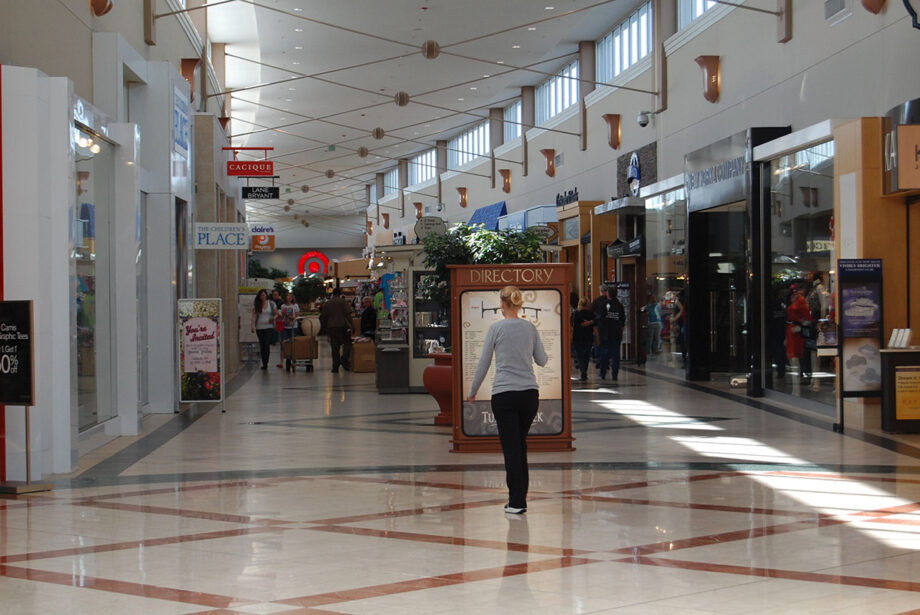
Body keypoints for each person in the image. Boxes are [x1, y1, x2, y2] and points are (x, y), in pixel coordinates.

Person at [467, 286, 548, 514]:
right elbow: (542, 360)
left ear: (502, 304)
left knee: (511, 447)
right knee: (520, 444)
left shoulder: (496, 329)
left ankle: (517, 502)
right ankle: (520, 496)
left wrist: (473, 391)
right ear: (519, 304)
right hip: (529, 395)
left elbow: (483, 363)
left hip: (504, 394)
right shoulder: (530, 328)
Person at [594, 284, 625, 381]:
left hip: (605, 334)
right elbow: (622, 320)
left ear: (608, 294)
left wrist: (598, 332)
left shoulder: (603, 304)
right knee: (615, 355)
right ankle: (614, 374)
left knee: (604, 354)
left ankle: (603, 373)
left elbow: (599, 319)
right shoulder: (619, 306)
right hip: (616, 333)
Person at [320, 287, 354, 373]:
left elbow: (323, 317)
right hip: (342, 326)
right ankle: (344, 359)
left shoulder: (328, 303)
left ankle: (335, 367)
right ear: (340, 294)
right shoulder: (343, 302)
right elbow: (348, 315)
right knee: (347, 343)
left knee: (335, 348)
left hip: (332, 327)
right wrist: (352, 326)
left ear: (333, 294)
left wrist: (325, 328)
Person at [786, 284, 813, 383]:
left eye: (796, 290)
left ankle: (803, 373)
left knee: (798, 352)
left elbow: (806, 315)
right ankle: (798, 374)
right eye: (793, 290)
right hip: (791, 328)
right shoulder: (794, 300)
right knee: (793, 354)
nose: (795, 292)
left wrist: (802, 324)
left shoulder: (801, 300)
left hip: (797, 329)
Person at [250, 289, 278, 370]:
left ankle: (266, 361)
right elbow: (254, 316)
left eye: (264, 294)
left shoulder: (271, 304)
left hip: (269, 327)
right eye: (261, 295)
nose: (263, 296)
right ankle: (264, 362)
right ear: (259, 296)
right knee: (262, 345)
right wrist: (252, 326)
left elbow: (276, 314)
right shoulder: (257, 305)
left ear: (266, 295)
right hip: (260, 327)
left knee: (266, 344)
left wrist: (273, 318)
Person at [572, 297, 595, 381]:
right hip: (588, 337)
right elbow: (595, 322)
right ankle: (584, 370)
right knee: (586, 356)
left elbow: (575, 324)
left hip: (578, 337)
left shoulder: (576, 313)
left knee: (580, 356)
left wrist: (586, 323)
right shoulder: (591, 313)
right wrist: (590, 322)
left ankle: (583, 372)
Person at [278, 291, 300, 371]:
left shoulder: (295, 306)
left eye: (290, 296)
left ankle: (294, 361)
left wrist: (292, 318)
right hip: (285, 327)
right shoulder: (283, 306)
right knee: (283, 343)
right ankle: (281, 361)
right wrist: (283, 315)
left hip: (293, 327)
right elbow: (282, 317)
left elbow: (297, 316)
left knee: (293, 344)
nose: (289, 298)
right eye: (288, 296)